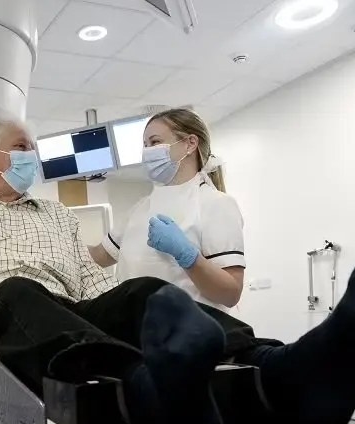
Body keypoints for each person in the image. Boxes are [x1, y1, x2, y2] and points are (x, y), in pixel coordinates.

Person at [0, 117, 355, 424]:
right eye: (24, 148)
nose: (33, 158)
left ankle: (283, 372)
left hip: (49, 323)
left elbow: (92, 284)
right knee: (19, 290)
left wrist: (121, 307)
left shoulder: (57, 216)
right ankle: (137, 388)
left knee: (137, 292)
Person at [89, 108, 244, 311]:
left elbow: (230, 293)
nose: (147, 151)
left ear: (190, 143)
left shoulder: (216, 204)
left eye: (154, 142)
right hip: (137, 334)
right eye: (145, 145)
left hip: (190, 335)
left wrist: (188, 256)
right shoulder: (139, 209)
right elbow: (98, 256)